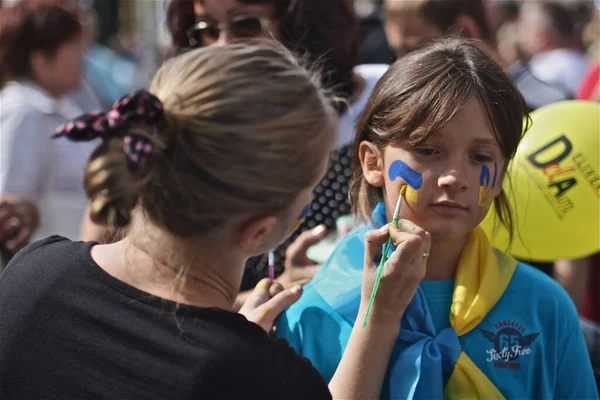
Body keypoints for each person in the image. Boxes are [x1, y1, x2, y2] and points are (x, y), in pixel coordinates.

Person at [0, 43, 424, 399]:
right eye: (308, 187)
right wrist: (380, 314)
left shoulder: (31, 273)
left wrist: (235, 337)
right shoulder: (258, 379)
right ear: (259, 230)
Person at [276, 37, 599, 399]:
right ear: (372, 162)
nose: (454, 177)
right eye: (428, 150)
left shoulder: (544, 308)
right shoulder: (317, 308)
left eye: (479, 157)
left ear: (502, 173)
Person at [79, 0, 390, 295]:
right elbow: (114, 290)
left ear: (308, 25)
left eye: (245, 25)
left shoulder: (382, 106)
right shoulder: (175, 131)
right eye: (207, 29)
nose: (222, 45)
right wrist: (281, 290)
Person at [0, 3, 97, 245]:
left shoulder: (64, 109)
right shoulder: (23, 113)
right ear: (40, 59)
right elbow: (9, 209)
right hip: (44, 268)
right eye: (73, 47)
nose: (81, 56)